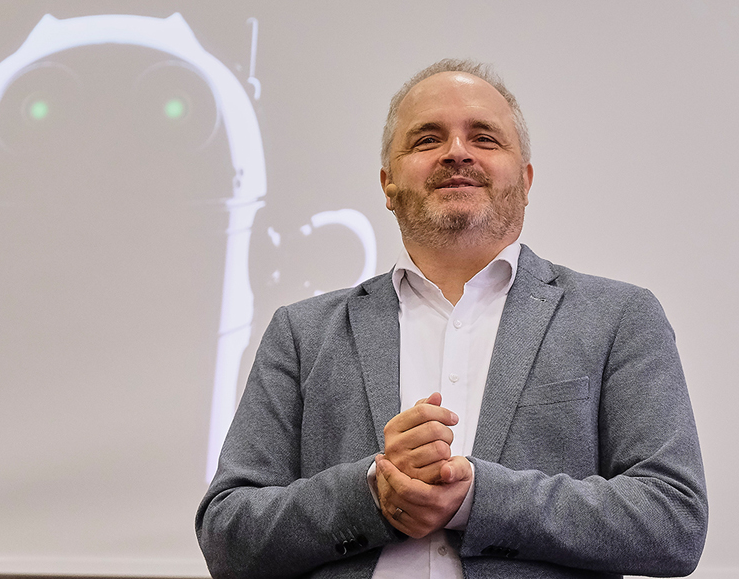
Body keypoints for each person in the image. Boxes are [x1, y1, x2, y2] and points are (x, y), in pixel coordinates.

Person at [196, 60, 707, 579]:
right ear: (388, 184)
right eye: (427, 140)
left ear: (525, 180)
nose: (457, 152)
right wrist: (371, 494)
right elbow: (226, 534)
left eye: (484, 138)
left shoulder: (619, 318)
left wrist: (480, 500)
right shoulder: (302, 333)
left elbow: (675, 521)